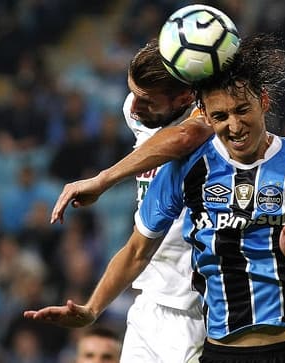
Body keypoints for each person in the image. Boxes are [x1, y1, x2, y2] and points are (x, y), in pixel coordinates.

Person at [25, 34, 285, 362]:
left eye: (241, 110)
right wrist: (93, 308)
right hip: (187, 327)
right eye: (221, 116)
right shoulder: (177, 156)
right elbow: (137, 249)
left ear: (263, 101)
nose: (234, 126)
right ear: (207, 114)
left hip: (249, 331)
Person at [30, 39, 212, 363]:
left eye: (147, 100)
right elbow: (137, 249)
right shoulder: (138, 113)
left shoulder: (211, 126)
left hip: (196, 311)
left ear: (184, 97)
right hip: (148, 304)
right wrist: (92, 310)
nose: (134, 106)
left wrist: (103, 180)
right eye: (133, 92)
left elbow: (184, 136)